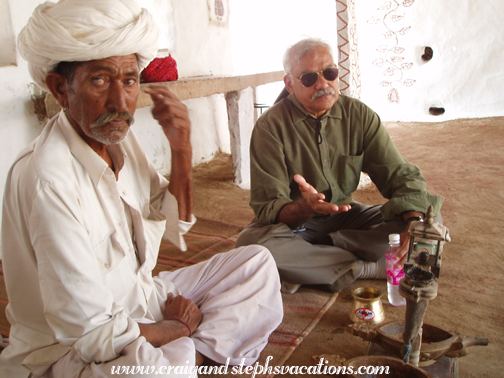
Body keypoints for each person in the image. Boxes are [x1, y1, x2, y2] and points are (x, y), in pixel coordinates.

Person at [0, 1, 283, 377]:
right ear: (60, 89)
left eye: (129, 80)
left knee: (256, 263)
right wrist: (176, 328)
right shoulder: (49, 180)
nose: (120, 103)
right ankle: (192, 353)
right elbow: (92, 335)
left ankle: (188, 356)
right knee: (155, 370)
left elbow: (172, 225)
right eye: (100, 80)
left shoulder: (118, 139)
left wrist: (181, 148)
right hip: (70, 352)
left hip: (142, 297)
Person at [235, 38, 443, 294]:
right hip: (295, 227)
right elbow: (268, 207)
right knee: (250, 245)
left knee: (426, 217)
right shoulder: (270, 127)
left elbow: (399, 175)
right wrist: (303, 207)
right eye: (309, 78)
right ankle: (364, 267)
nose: (323, 84)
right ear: (290, 84)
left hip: (347, 219)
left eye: (329, 73)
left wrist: (414, 221)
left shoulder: (360, 116)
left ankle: (313, 263)